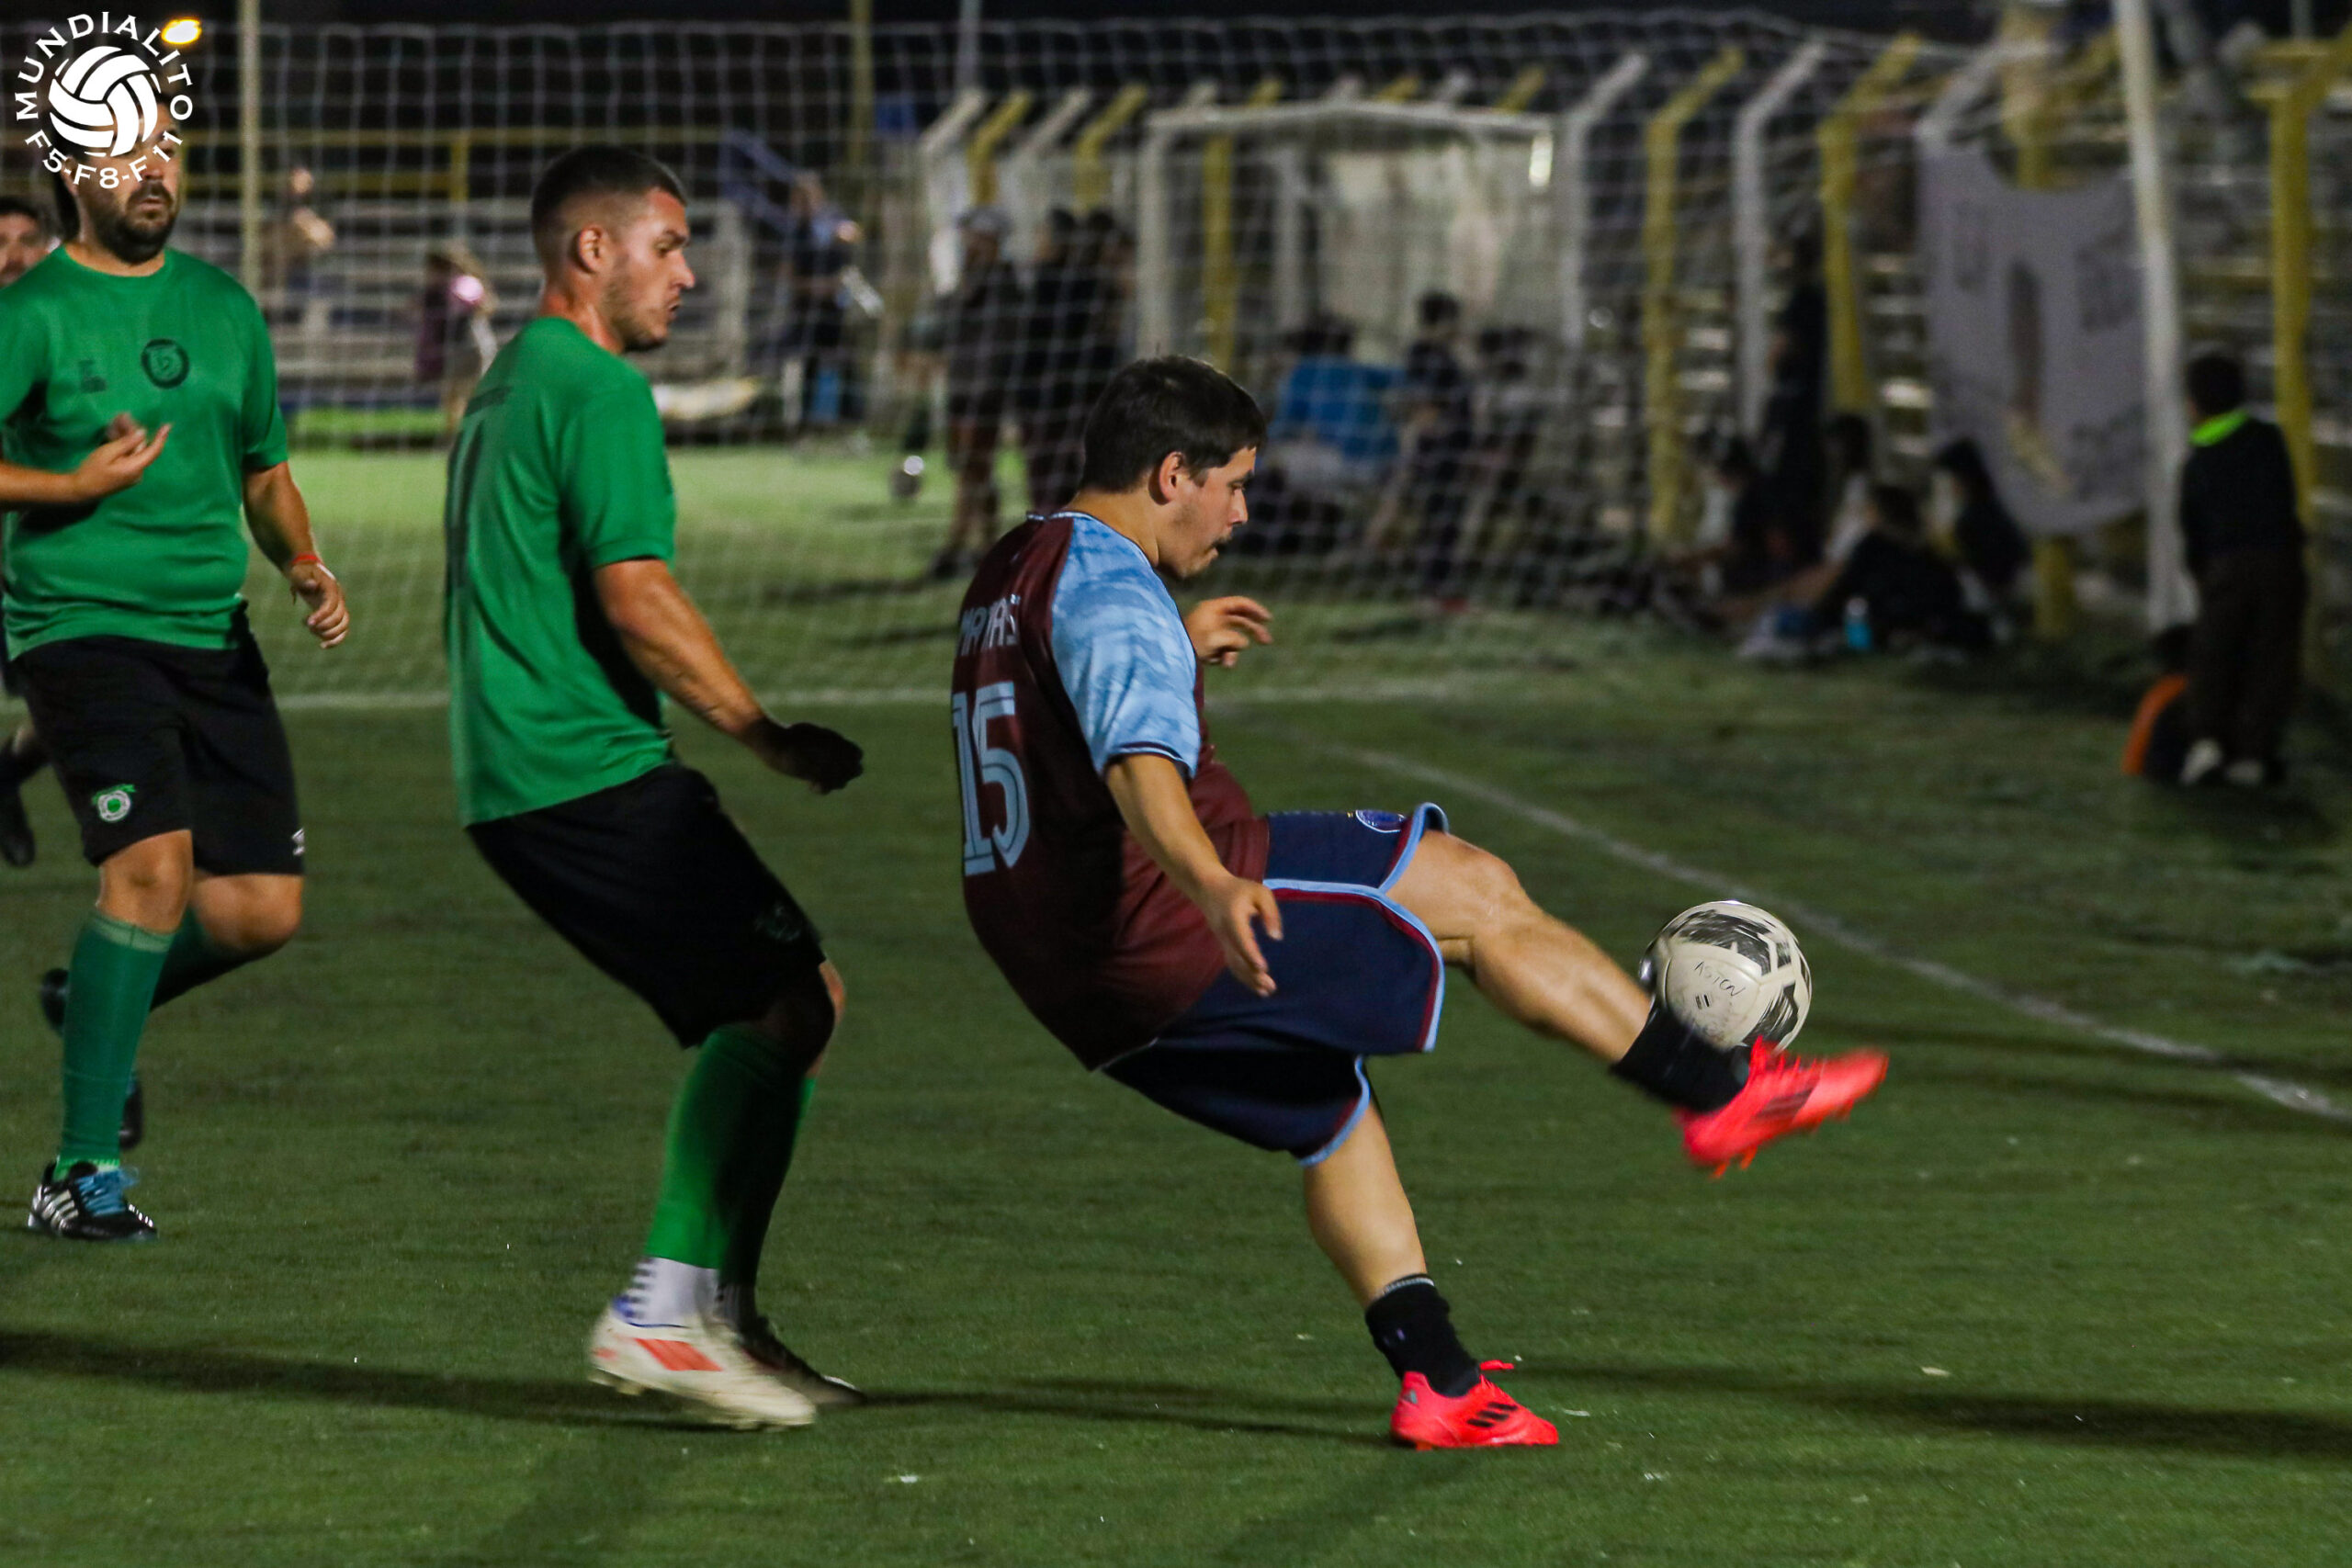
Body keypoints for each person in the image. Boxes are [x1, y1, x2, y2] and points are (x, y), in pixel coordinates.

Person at [950, 356, 1887, 1449]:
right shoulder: (1115, 593)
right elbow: (1136, 765)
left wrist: (1178, 645)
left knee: (1332, 1114)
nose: (1242, 513)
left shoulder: (1021, 559)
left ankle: (1439, 1382)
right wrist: (1209, 883)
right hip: (1159, 915)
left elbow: (1052, 707)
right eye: (1233, 484)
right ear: (1171, 475)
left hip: (1060, 969)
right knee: (1476, 892)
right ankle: (1719, 1088)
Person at [445, 147, 867, 1429]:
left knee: (799, 998)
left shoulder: (514, 377)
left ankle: (720, 1312)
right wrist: (765, 735)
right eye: (669, 246)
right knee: (776, 1002)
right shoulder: (596, 388)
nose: (687, 273)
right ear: (594, 250)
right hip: (577, 767)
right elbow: (637, 594)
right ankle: (664, 1308)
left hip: (526, 772)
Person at [4, 138, 350, 1242]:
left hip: (212, 634)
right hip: (81, 627)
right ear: (73, 175)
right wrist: (68, 485)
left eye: (163, 147)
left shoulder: (224, 306)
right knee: (152, 871)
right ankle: (78, 1172)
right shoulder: (31, 313)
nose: (151, 169)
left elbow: (265, 469)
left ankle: (93, 996)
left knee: (258, 913)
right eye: (121, 153)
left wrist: (302, 561)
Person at [2176, 351, 2306, 787]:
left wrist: (2203, 574)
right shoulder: (2269, 441)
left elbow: (2192, 530)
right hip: (2281, 564)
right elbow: (2286, 500)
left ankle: (2208, 743)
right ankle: (2255, 753)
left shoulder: (2198, 462)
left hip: (2226, 569)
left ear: (2194, 403)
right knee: (2271, 659)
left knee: (2214, 657)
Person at [0, 191, 62, 870]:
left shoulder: (58, 326)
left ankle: (5, 775)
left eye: (26, 241)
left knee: (62, 712)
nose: (13, 256)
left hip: (31, 558)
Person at [929, 206, 1023, 579]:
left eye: (975, 236)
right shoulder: (967, 278)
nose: (968, 243)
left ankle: (970, 544)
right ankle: (973, 543)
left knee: (977, 465)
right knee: (967, 467)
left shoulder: (1004, 283)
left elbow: (999, 341)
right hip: (961, 384)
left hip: (984, 389)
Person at [1811, 484, 1977, 652]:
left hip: (1897, 623)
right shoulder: (1924, 547)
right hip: (1911, 623)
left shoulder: (1877, 546)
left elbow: (1844, 587)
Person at [1401, 291, 1477, 602]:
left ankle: (1438, 589)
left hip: (1451, 447)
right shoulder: (1428, 355)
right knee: (1440, 518)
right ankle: (1434, 589)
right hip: (1440, 450)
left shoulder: (1439, 354)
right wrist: (1435, 440)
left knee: (1446, 518)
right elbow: (1425, 405)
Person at [1928, 437, 2029, 624]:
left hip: (1990, 602)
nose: (1950, 487)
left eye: (1951, 480)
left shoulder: (1976, 517)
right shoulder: (1995, 508)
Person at [416, 241, 499, 442]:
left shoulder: (464, 284)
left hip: (471, 346)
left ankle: (471, 435)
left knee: (468, 393)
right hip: (457, 347)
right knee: (453, 395)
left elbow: (477, 302)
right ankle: (456, 435)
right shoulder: (437, 291)